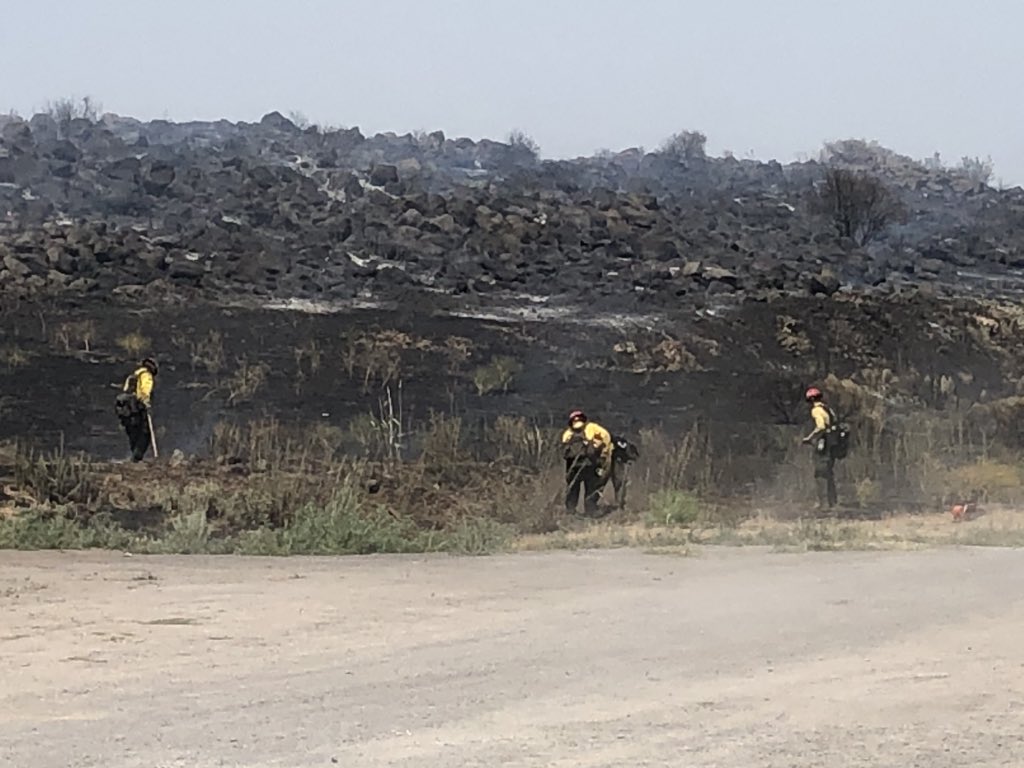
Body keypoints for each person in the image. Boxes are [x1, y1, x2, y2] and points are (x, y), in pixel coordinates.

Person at [561, 410, 614, 515]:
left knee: (573, 489)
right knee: (591, 488)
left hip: (573, 466)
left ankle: (570, 512)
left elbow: (564, 452)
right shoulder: (592, 427)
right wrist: (604, 454)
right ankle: (591, 510)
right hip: (589, 463)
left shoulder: (567, 433)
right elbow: (606, 436)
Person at [115, 357, 158, 462]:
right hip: (136, 407)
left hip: (125, 409)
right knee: (144, 433)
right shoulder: (146, 376)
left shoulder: (133, 376)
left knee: (133, 433)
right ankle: (137, 457)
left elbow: (126, 390)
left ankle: (134, 457)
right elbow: (144, 391)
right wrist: (146, 403)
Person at [802, 386, 837, 509]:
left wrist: (809, 438)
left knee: (820, 473)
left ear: (810, 400)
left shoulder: (816, 410)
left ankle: (823, 503)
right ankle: (833, 501)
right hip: (832, 444)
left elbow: (821, 426)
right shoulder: (828, 409)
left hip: (823, 443)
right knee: (828, 472)